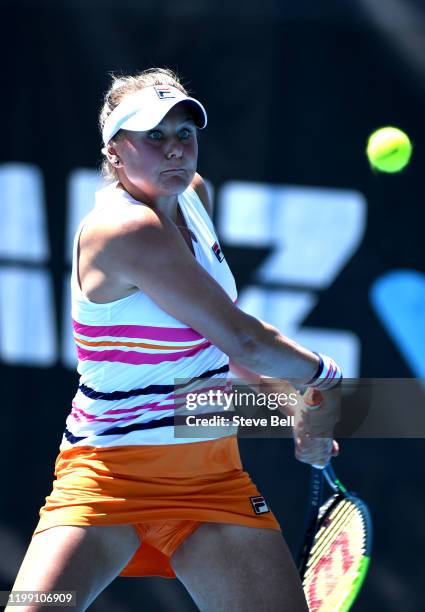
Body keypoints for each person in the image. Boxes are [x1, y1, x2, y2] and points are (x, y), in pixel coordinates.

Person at [8, 68, 341, 612]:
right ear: (114, 153)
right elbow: (244, 338)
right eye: (153, 137)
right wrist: (323, 380)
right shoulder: (122, 230)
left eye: (184, 133)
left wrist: (291, 402)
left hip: (208, 477)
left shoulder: (193, 195)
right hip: (105, 476)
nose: (174, 151)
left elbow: (221, 334)